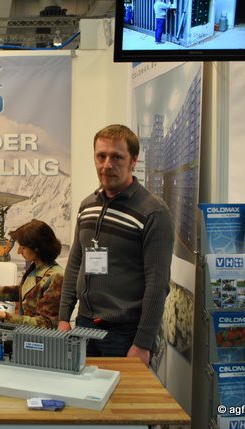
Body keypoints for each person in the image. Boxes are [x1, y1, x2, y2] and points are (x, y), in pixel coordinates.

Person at [57, 124, 174, 366]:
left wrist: (142, 343)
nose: (107, 165)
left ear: (133, 160)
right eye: (101, 156)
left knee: (123, 392)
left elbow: (157, 284)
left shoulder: (153, 212)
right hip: (84, 326)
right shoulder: (87, 206)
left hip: (125, 335)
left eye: (117, 157)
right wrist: (63, 317)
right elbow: (75, 264)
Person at [0, 219, 63, 329]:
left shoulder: (56, 277)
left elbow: (47, 324)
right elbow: (24, 292)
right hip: (25, 334)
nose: (18, 251)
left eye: (23, 247)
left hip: (38, 338)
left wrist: (5, 317)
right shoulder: (37, 268)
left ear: (37, 248)